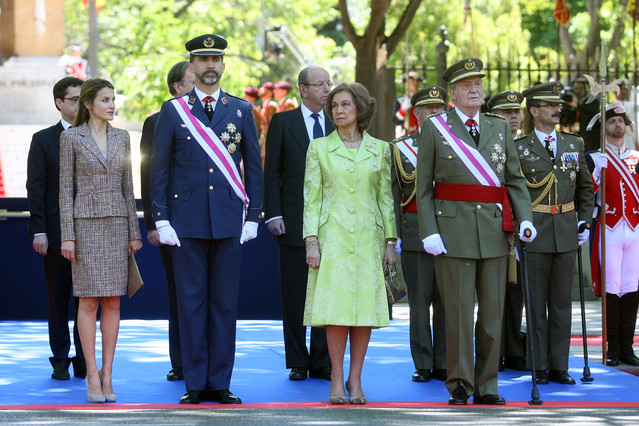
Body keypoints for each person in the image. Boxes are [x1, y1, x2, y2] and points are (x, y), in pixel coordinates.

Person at [150, 33, 263, 405]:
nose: (209, 66)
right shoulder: (174, 111)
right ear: (192, 67)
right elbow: (159, 170)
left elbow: (255, 170)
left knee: (225, 304)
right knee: (191, 302)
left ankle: (221, 382)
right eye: (202, 60)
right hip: (186, 222)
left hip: (229, 219)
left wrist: (253, 216)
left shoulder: (242, 110)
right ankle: (195, 382)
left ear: (223, 66)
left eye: (215, 60)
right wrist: (161, 218)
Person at [415, 58, 536, 405]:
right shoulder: (436, 128)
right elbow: (423, 188)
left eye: (478, 84)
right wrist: (429, 231)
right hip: (452, 232)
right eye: (467, 85)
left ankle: (488, 385)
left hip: (495, 232)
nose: (475, 90)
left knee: (492, 316)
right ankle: (459, 383)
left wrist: (525, 218)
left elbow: (513, 179)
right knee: (457, 314)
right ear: (452, 92)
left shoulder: (498, 127)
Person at [303, 82, 396, 405]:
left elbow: (385, 199)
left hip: (369, 238)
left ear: (360, 109)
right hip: (334, 238)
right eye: (334, 106)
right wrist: (311, 241)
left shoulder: (381, 149)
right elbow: (311, 199)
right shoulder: (318, 148)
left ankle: (356, 378)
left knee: (364, 312)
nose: (338, 111)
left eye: (345, 105)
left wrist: (390, 240)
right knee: (337, 311)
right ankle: (336, 377)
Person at [59, 78, 142, 403]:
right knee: (88, 300)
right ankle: (91, 375)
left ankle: (108, 374)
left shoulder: (122, 137)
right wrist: (67, 235)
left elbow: (128, 187)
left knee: (113, 301)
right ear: (89, 103)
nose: (112, 105)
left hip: (118, 225)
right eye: (105, 99)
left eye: (113, 99)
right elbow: (66, 190)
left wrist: (134, 232)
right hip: (85, 227)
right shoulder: (71, 138)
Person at [518, 81, 594, 385]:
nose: (557, 109)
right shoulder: (520, 147)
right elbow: (515, 191)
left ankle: (560, 366)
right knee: (536, 304)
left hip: (565, 231)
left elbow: (585, 188)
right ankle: (538, 364)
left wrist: (584, 221)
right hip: (535, 232)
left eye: (557, 105)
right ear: (534, 111)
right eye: (550, 105)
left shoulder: (574, 144)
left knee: (562, 303)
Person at [264, 66, 334, 382]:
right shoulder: (283, 122)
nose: (327, 90)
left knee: (326, 293)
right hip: (292, 221)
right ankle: (298, 360)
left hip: (331, 223)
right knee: (295, 294)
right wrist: (274, 214)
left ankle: (322, 360)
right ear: (303, 90)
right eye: (320, 84)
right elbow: (273, 173)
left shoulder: (338, 122)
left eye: (329, 84)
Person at [26, 76, 86, 381]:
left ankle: (84, 357)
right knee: (58, 298)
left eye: (83, 97)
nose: (80, 103)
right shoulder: (43, 139)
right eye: (74, 99)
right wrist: (39, 230)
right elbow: (36, 187)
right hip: (55, 233)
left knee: (88, 299)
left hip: (91, 233)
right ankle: (61, 358)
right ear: (59, 102)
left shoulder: (96, 135)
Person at [140, 60, 195, 382]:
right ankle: (181, 362)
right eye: (192, 80)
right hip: (171, 223)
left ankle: (206, 362)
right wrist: (153, 223)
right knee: (179, 294)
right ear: (177, 87)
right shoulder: (157, 121)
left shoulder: (214, 118)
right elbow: (148, 174)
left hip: (209, 222)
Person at [390, 86, 447, 383]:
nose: (436, 113)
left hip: (451, 232)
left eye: (440, 108)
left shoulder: (458, 146)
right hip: (414, 232)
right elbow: (393, 195)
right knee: (420, 303)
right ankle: (423, 362)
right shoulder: (401, 149)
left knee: (448, 302)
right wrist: (394, 236)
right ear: (417, 113)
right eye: (429, 109)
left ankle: (444, 361)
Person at [585, 103, 639, 367]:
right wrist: (596, 172)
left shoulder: (636, 158)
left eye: (621, 121)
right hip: (608, 227)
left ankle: (627, 347)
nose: (618, 125)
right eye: (612, 121)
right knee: (611, 288)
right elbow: (585, 195)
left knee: (631, 287)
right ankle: (613, 348)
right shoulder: (595, 157)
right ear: (603, 127)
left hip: (635, 229)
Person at [486, 89, 528, 372]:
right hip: (494, 226)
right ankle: (494, 352)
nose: (512, 117)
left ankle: (514, 350)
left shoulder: (528, 147)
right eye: (505, 113)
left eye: (516, 112)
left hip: (523, 228)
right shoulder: (486, 147)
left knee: (518, 294)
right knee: (493, 295)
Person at [573, 77, 600, 152]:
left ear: (586, 89)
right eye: (576, 88)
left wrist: (577, 106)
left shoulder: (593, 102)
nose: (578, 91)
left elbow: (592, 117)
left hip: (590, 142)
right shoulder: (571, 103)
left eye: (581, 88)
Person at [393, 71, 424, 136]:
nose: (415, 83)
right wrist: (403, 109)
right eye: (412, 81)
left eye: (417, 81)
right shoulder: (400, 101)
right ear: (406, 83)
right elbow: (396, 121)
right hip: (405, 135)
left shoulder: (423, 101)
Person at [259, 82, 278, 168]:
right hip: (262, 138)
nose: (261, 89)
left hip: (267, 139)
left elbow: (273, 126)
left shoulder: (271, 105)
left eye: (264, 88)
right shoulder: (263, 105)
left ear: (270, 92)